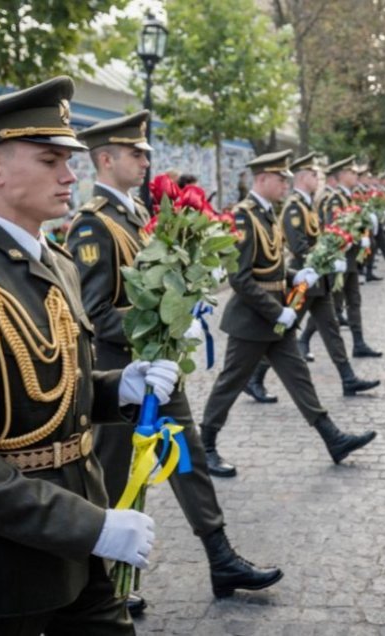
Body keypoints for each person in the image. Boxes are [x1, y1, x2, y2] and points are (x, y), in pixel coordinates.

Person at [0, 76, 180, 635]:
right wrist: (92, 527)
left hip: (81, 551)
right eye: (50, 160)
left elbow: (64, 385)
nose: (70, 175)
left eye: (69, 159)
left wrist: (121, 387)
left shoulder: (58, 260)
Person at [66, 111, 283, 610]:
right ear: (106, 159)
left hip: (159, 372)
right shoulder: (92, 226)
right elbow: (95, 312)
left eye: (144, 152)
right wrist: (165, 324)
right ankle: (103, 582)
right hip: (121, 376)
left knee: (188, 457)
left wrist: (181, 311)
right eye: (135, 153)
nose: (145, 160)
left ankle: (221, 557)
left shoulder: (138, 216)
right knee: (115, 475)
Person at [199, 150, 377, 478]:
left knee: (299, 378)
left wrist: (295, 277)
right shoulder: (243, 216)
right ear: (262, 179)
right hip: (252, 321)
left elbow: (273, 264)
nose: (286, 183)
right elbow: (240, 279)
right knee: (230, 383)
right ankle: (205, 446)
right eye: (280, 178)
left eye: (286, 178)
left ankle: (333, 438)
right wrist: (276, 310)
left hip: (276, 319)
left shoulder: (268, 213)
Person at [249, 152, 380, 400]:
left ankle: (348, 377)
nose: (317, 178)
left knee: (331, 329)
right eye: (313, 174)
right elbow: (299, 246)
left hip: (318, 280)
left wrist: (330, 258)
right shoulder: (294, 207)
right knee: (282, 331)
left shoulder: (307, 204)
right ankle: (255, 377)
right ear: (303, 177)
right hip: (302, 280)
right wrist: (327, 260)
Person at [316, 156, 381, 357]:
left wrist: (362, 235)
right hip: (340, 259)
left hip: (349, 258)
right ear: (342, 175)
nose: (356, 176)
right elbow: (332, 228)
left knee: (353, 299)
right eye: (352, 172)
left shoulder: (348, 197)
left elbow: (352, 222)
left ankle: (359, 343)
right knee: (329, 304)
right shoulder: (335, 199)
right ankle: (303, 341)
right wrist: (340, 252)